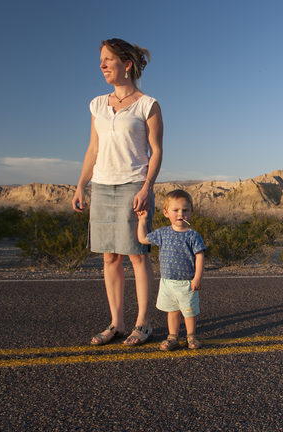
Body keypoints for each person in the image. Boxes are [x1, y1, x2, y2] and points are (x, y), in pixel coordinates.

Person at [72, 38, 163, 347]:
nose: (102, 64)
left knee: (137, 255)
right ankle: (117, 324)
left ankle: (143, 324)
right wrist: (81, 185)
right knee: (109, 257)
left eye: (108, 59)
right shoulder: (97, 104)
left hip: (133, 186)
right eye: (101, 59)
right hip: (102, 185)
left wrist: (147, 187)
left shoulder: (147, 105)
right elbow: (92, 149)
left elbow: (156, 151)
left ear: (127, 64)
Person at [137, 190, 206, 350]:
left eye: (185, 210)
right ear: (166, 213)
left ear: (191, 212)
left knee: (189, 312)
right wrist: (142, 220)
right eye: (175, 210)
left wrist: (197, 278)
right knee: (172, 311)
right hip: (167, 282)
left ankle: (191, 336)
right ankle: (173, 336)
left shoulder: (193, 236)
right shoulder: (162, 233)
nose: (180, 214)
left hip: (187, 283)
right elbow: (142, 239)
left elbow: (200, 257)